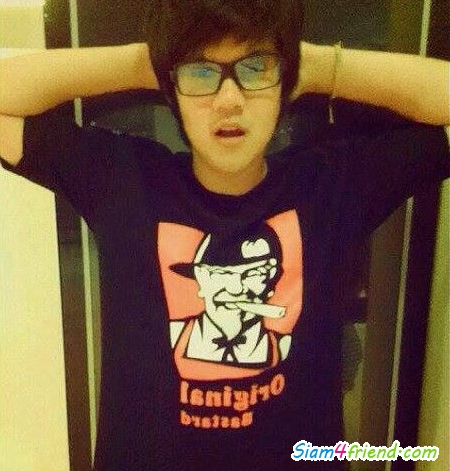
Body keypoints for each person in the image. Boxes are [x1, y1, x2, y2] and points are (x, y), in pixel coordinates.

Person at [0, 0, 449, 470]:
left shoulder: (332, 186)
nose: (229, 100)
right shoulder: (124, 180)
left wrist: (318, 67)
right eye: (202, 72)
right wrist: (145, 63)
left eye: (256, 67)